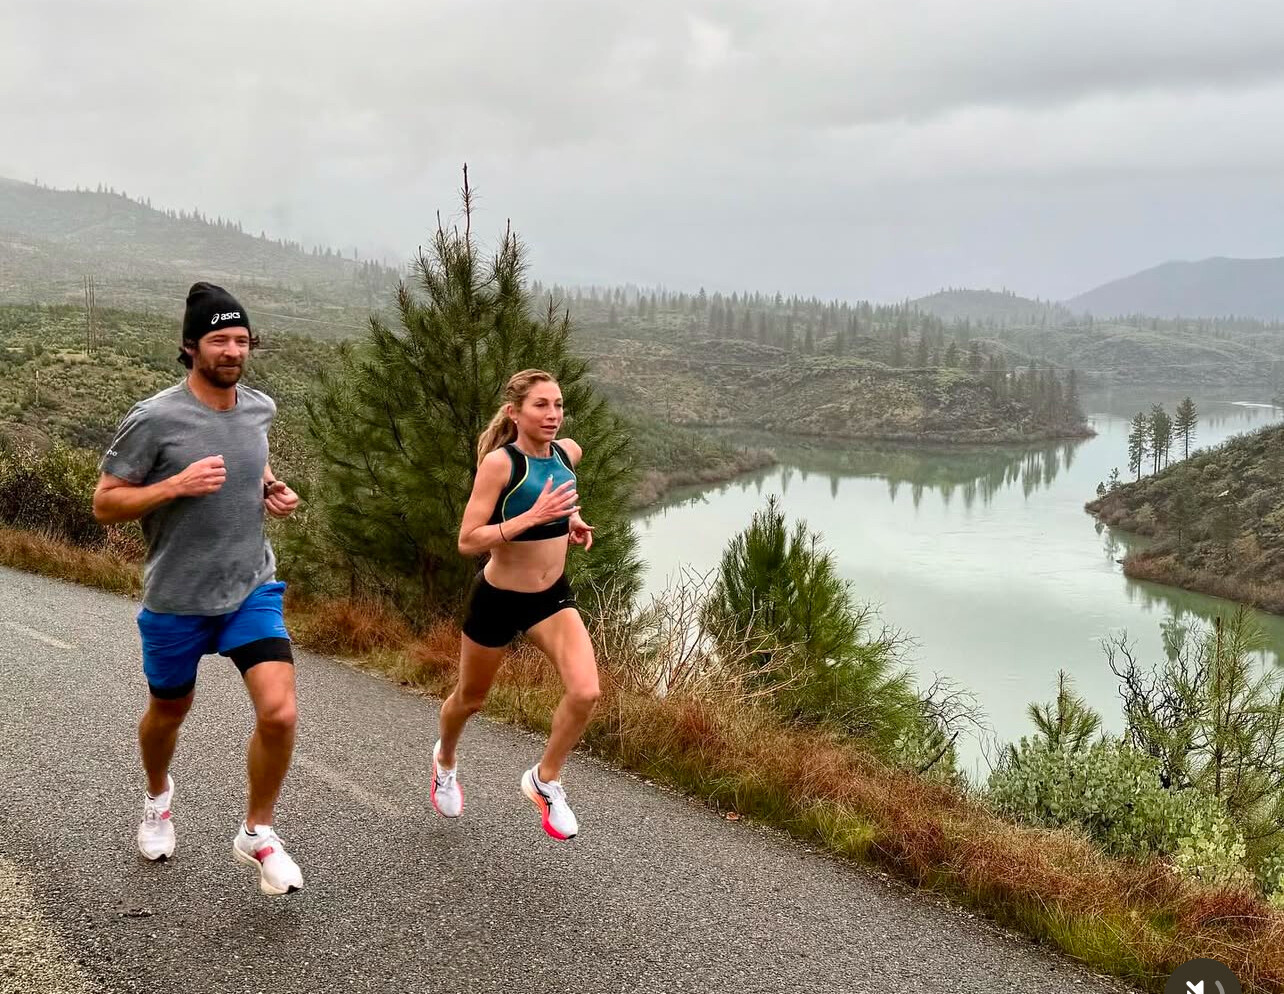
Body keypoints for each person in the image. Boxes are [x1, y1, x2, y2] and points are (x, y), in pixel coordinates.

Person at [93, 282, 304, 896]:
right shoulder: (155, 418)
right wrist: (173, 486)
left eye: (241, 340)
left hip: (249, 587)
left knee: (280, 711)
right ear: (190, 346)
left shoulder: (259, 408)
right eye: (219, 340)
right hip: (178, 598)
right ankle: (158, 798)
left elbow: (251, 460)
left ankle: (257, 832)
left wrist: (269, 487)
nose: (232, 351)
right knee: (168, 713)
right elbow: (105, 502)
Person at [432, 369, 599, 840]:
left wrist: (572, 519)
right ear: (515, 412)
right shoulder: (500, 464)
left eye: (558, 405)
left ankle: (544, 780)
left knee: (586, 692)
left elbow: (559, 495)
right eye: (540, 405)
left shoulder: (568, 453)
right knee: (470, 699)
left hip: (550, 597)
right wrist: (533, 518)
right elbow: (468, 539)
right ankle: (445, 760)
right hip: (498, 599)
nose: (552, 414)